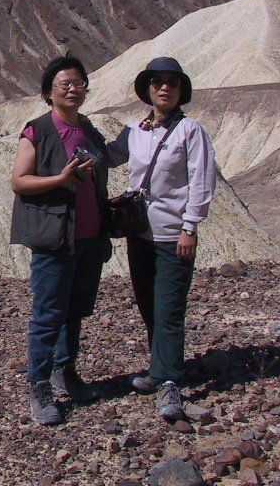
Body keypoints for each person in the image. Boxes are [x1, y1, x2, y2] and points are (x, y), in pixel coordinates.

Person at [105, 57, 216, 421]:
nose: (164, 87)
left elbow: (201, 180)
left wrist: (190, 227)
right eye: (157, 81)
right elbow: (109, 156)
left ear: (181, 89)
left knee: (169, 309)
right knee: (148, 305)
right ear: (147, 89)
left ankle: (169, 381)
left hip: (173, 236)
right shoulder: (134, 132)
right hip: (139, 233)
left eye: (172, 82)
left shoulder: (190, 131)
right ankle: (159, 369)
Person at [10, 55, 112, 425]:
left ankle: (64, 372)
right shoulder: (36, 131)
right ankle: (39, 385)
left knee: (75, 311)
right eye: (64, 84)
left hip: (88, 236)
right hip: (54, 238)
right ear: (49, 92)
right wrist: (61, 179)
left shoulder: (88, 129)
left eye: (79, 83)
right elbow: (19, 181)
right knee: (48, 314)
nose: (73, 89)